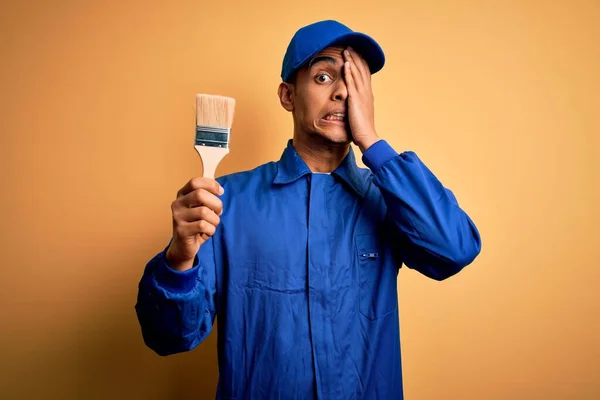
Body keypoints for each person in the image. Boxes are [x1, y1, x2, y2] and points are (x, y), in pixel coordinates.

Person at [135, 19, 482, 399]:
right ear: (287, 95)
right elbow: (169, 337)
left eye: (355, 81)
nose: (342, 93)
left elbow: (455, 249)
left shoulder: (388, 199)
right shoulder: (224, 201)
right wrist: (179, 260)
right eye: (323, 77)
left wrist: (372, 142)